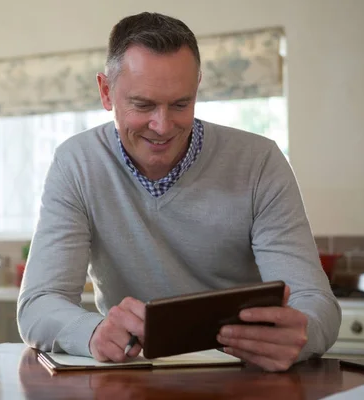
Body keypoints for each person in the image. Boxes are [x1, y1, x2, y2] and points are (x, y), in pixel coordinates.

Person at [17, 11, 341, 372]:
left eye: (180, 104)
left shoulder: (259, 161)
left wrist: (303, 333)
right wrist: (93, 331)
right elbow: (38, 303)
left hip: (241, 376)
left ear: (197, 88)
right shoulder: (76, 163)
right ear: (106, 92)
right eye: (143, 105)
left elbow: (316, 302)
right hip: (129, 375)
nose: (162, 125)